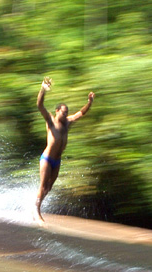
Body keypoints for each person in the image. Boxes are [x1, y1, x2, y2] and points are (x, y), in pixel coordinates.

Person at [33, 77, 95, 226]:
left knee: (49, 188)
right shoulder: (50, 120)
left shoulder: (68, 122)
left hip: (57, 160)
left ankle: (36, 204)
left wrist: (89, 103)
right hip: (47, 159)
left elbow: (80, 113)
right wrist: (43, 90)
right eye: (63, 112)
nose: (65, 115)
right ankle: (36, 211)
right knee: (43, 185)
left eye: (66, 112)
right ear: (57, 111)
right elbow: (39, 105)